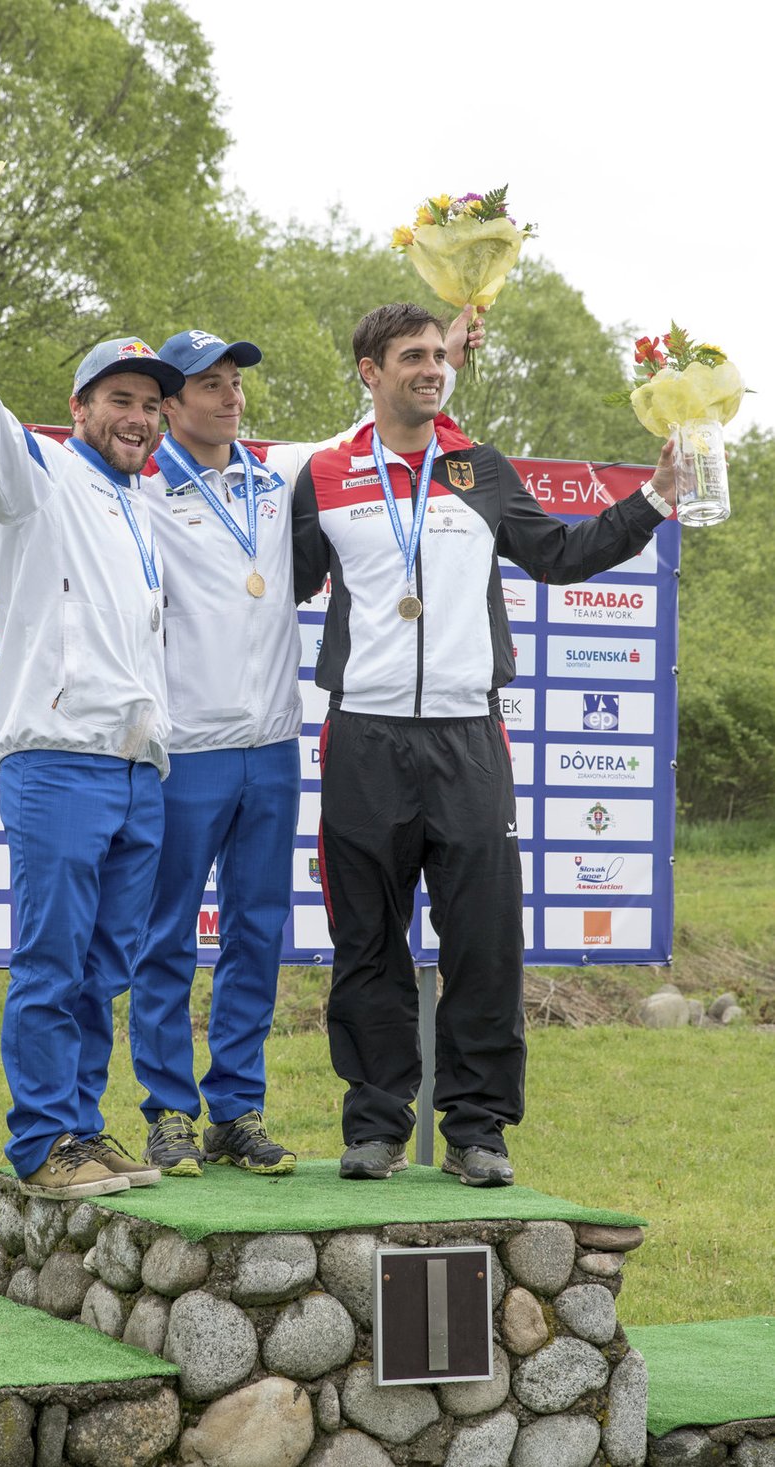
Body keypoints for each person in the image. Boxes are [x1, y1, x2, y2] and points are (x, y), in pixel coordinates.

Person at [291, 302, 677, 1185]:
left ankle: (477, 1130)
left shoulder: (480, 470)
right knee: (368, 942)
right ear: (369, 371)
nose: (432, 367)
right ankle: (377, 1124)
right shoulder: (326, 475)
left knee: (485, 940)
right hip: (365, 736)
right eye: (412, 356)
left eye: (440, 354)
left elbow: (562, 554)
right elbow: (280, 582)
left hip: (469, 736)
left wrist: (654, 498)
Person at [130, 314, 485, 1178]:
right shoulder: (137, 488)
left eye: (237, 381)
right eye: (211, 384)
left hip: (271, 747)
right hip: (186, 748)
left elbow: (374, 426)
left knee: (258, 934)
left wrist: (453, 350)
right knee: (168, 936)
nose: (231, 396)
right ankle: (170, 1110)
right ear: (170, 404)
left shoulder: (277, 475)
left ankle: (237, 1110)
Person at [0, 216, 184, 1199]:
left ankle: (81, 1127)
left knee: (103, 968)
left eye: (152, 405)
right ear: (80, 406)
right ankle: (40, 1145)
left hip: (133, 765)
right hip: (57, 758)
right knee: (54, 959)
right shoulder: (35, 478)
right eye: (121, 399)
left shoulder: (138, 506)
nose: (139, 418)